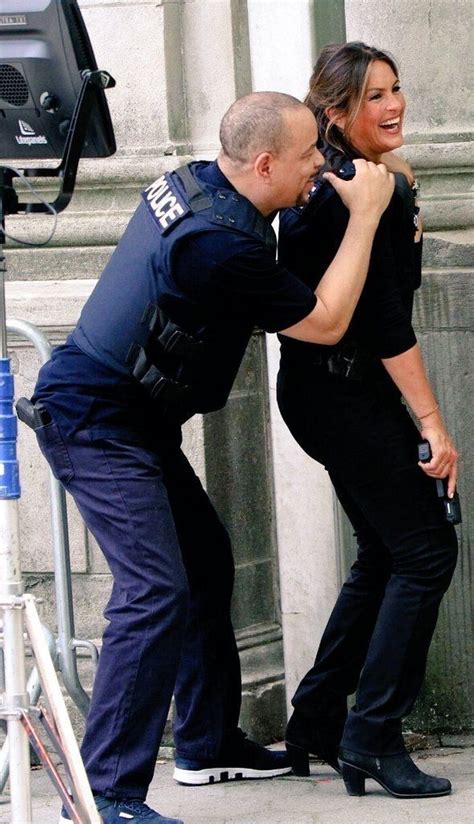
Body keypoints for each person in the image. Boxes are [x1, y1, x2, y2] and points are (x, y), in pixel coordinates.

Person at [24, 91, 394, 824]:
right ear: (261, 163)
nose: (318, 166)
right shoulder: (218, 242)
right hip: (93, 419)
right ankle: (107, 796)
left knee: (205, 566)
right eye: (306, 157)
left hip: (132, 416)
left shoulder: (201, 180)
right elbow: (324, 321)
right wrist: (367, 216)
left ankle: (204, 743)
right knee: (155, 591)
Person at [277, 43, 459, 799]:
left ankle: (318, 720)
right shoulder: (360, 194)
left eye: (396, 88)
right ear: (336, 114)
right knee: (425, 553)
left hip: (325, 391)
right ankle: (372, 736)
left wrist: (401, 197)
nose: (394, 106)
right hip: (344, 393)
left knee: (387, 555)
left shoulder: (353, 181)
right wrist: (434, 424)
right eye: (373, 97)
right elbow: (386, 325)